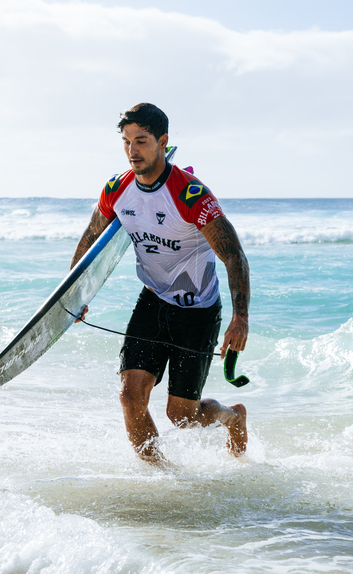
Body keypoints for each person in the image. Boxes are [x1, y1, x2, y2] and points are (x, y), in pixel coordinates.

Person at [70, 103, 251, 461]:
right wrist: (75, 294)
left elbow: (233, 255)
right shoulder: (116, 190)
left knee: (182, 416)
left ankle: (232, 417)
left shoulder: (190, 195)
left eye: (141, 141)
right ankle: (160, 479)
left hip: (197, 311)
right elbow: (92, 236)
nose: (132, 151)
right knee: (129, 396)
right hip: (153, 300)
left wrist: (239, 318)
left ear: (162, 141)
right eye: (126, 142)